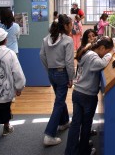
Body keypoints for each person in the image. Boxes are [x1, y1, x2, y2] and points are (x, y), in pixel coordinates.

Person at [65, 36, 114, 155]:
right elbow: (101, 63)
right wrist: (110, 54)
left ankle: (71, 150)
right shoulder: (93, 56)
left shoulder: (87, 52)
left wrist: (108, 53)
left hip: (78, 92)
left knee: (76, 123)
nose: (106, 54)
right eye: (106, 51)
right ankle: (84, 150)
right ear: (102, 48)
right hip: (87, 95)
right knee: (86, 124)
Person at [39, 14, 75, 146]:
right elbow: (69, 62)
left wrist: (48, 68)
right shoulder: (67, 40)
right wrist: (71, 78)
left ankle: (64, 122)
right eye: (70, 24)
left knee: (60, 99)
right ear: (65, 26)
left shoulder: (46, 39)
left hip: (52, 73)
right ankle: (49, 134)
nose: (72, 26)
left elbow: (41, 55)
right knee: (59, 102)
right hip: (62, 73)